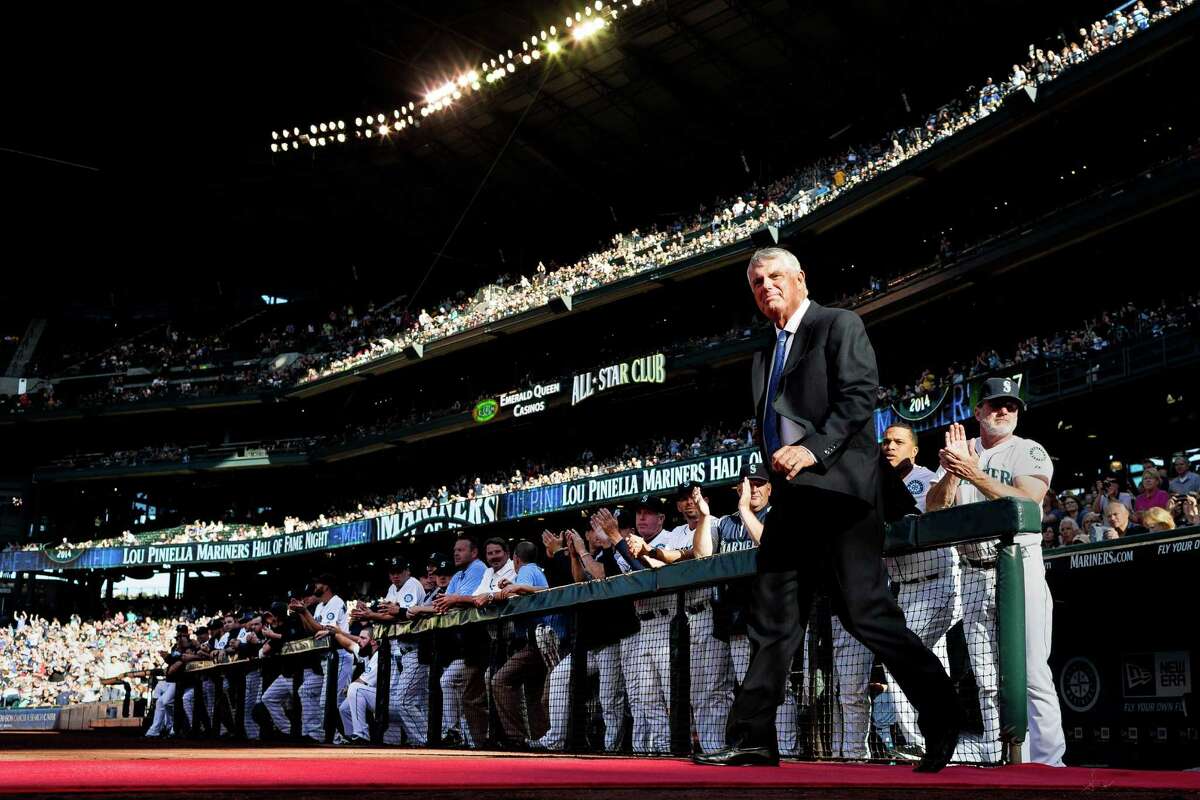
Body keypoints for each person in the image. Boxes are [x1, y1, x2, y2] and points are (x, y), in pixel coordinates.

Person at [697, 247, 960, 772]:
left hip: (842, 495)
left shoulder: (838, 324)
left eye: (774, 276)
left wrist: (813, 449)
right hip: (792, 501)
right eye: (755, 281)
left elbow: (860, 398)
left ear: (799, 278)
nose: (765, 286)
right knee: (772, 621)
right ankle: (752, 739)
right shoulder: (763, 354)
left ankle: (942, 716)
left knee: (867, 615)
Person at [926, 378, 1065, 767]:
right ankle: (998, 755)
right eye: (993, 404)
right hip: (971, 570)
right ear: (977, 411)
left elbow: (1028, 503)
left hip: (1018, 566)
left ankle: (1050, 763)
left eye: (1010, 405)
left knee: (1032, 671)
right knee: (986, 677)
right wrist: (953, 471)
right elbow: (933, 510)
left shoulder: (1028, 450)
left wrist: (972, 473)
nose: (1002, 411)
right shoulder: (961, 452)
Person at [833, 421, 959, 761]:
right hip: (903, 588)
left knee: (901, 659)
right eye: (885, 441)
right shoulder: (873, 484)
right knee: (929, 660)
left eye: (898, 441)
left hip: (937, 578)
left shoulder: (925, 477)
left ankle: (920, 741)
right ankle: (945, 742)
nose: (889, 446)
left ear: (914, 449)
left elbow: (930, 509)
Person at [694, 461, 799, 756]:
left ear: (770, 488)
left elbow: (767, 543)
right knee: (719, 688)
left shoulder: (779, 514)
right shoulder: (725, 522)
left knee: (775, 687)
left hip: (768, 616)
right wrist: (704, 518)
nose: (753, 489)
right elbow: (703, 556)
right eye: (747, 483)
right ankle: (720, 747)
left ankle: (786, 750)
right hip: (729, 617)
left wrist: (745, 511)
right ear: (738, 487)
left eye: (759, 483)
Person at [481, 540, 553, 748]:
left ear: (516, 559)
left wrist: (512, 588)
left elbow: (530, 590)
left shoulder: (526, 570)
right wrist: (512, 586)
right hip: (539, 640)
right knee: (534, 695)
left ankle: (516, 738)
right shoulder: (534, 569)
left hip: (538, 640)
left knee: (500, 681)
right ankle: (539, 741)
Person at [430, 536, 488, 746]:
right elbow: (444, 603)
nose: (456, 553)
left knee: (473, 695)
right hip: (467, 645)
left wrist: (452, 600)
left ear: (474, 553)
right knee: (453, 685)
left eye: (461, 550)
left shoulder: (477, 568)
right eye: (455, 550)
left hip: (484, 642)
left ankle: (474, 739)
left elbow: (460, 601)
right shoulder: (459, 574)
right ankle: (458, 734)